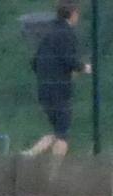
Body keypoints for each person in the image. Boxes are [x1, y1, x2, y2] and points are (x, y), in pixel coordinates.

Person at [28, 0, 92, 157]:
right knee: (62, 137)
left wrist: (51, 74)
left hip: (44, 92)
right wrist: (85, 68)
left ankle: (27, 156)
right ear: (73, 14)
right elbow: (69, 60)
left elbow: (35, 63)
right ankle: (53, 175)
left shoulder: (49, 33)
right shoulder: (66, 33)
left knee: (57, 132)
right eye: (77, 13)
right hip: (59, 93)